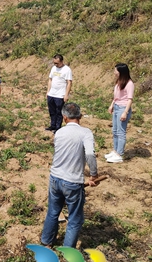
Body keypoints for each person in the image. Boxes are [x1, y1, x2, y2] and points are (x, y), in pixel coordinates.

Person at [40, 103, 99, 249]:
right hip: (72, 182)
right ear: (79, 116)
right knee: (74, 218)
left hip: (55, 178)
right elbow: (90, 154)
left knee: (53, 212)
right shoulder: (86, 133)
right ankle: (67, 250)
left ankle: (47, 240)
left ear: (64, 117)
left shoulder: (59, 132)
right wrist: (93, 174)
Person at [106, 63, 134, 164]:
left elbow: (130, 99)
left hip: (123, 108)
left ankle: (119, 154)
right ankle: (115, 150)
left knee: (121, 132)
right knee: (115, 130)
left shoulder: (129, 84)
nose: (114, 72)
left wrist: (125, 112)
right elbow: (116, 96)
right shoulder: (119, 82)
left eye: (115, 71)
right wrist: (112, 105)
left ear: (121, 72)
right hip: (117, 106)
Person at [46, 54, 73, 132]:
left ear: (61, 61)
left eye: (57, 63)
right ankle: (52, 125)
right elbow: (50, 80)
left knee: (59, 112)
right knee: (52, 111)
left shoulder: (67, 70)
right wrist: (48, 91)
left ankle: (58, 127)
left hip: (60, 95)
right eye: (54, 63)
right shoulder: (53, 68)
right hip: (51, 94)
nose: (55, 64)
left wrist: (66, 94)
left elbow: (69, 83)